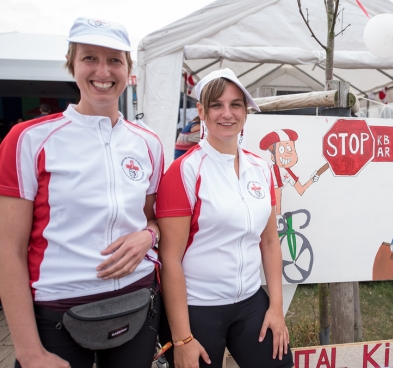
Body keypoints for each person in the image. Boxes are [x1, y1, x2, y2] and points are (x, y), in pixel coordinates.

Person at [0, 17, 164, 368]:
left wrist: (148, 237)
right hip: (58, 309)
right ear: (71, 63)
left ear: (128, 68)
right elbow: (7, 248)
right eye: (90, 58)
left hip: (138, 299)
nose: (102, 71)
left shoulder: (148, 142)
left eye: (114, 60)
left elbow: (152, 218)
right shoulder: (27, 139)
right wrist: (29, 352)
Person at [156, 68, 293, 368]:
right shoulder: (185, 171)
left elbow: (270, 242)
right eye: (217, 105)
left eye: (235, 105)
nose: (226, 113)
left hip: (249, 302)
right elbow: (170, 260)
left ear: (246, 112)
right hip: (197, 308)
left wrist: (276, 308)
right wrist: (182, 338)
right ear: (202, 111)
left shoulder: (261, 168)